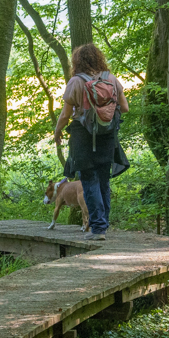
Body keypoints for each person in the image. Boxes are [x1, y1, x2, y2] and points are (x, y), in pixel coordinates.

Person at [54, 43, 130, 240]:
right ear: (99, 58)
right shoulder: (112, 79)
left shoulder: (76, 81)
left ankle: (97, 229)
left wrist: (57, 131)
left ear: (77, 62)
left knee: (89, 180)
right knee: (103, 181)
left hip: (83, 136)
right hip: (108, 136)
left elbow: (65, 114)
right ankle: (102, 225)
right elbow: (125, 108)